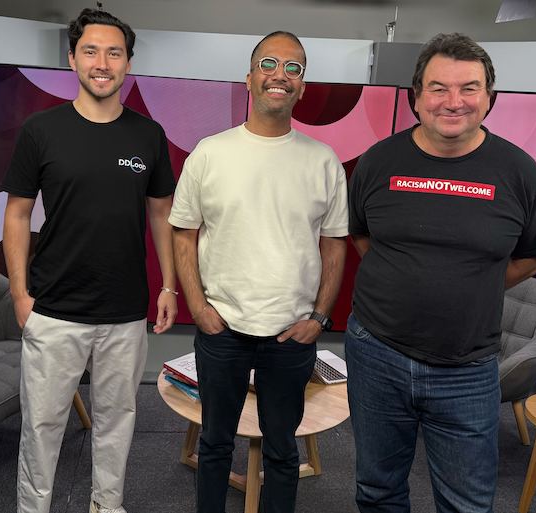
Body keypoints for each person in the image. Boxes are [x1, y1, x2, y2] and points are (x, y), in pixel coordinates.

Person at [347, 33, 536, 513]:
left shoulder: (519, 172)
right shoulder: (378, 161)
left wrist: (474, 285)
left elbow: (534, 257)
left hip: (467, 368)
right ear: (416, 97)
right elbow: (361, 235)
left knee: (467, 504)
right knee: (377, 490)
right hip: (376, 352)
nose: (454, 101)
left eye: (469, 88)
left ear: (489, 98)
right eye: (438, 88)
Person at [1, 8, 178, 513]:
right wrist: (19, 295)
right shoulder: (41, 130)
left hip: (124, 310)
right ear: (73, 58)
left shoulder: (148, 134)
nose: (103, 63)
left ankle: (107, 505)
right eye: (91, 51)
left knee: (117, 421)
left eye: (114, 53)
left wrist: (168, 286)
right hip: (53, 309)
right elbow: (17, 214)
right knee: (42, 427)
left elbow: (161, 214)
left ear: (128, 62)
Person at [170, 31, 348, 513]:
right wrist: (199, 308)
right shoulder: (210, 153)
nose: (280, 75)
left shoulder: (323, 161)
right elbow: (184, 233)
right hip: (222, 328)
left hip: (291, 334)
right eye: (269, 64)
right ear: (249, 79)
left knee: (282, 451)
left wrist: (319, 318)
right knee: (214, 445)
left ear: (302, 87)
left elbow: (335, 243)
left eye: (294, 68)